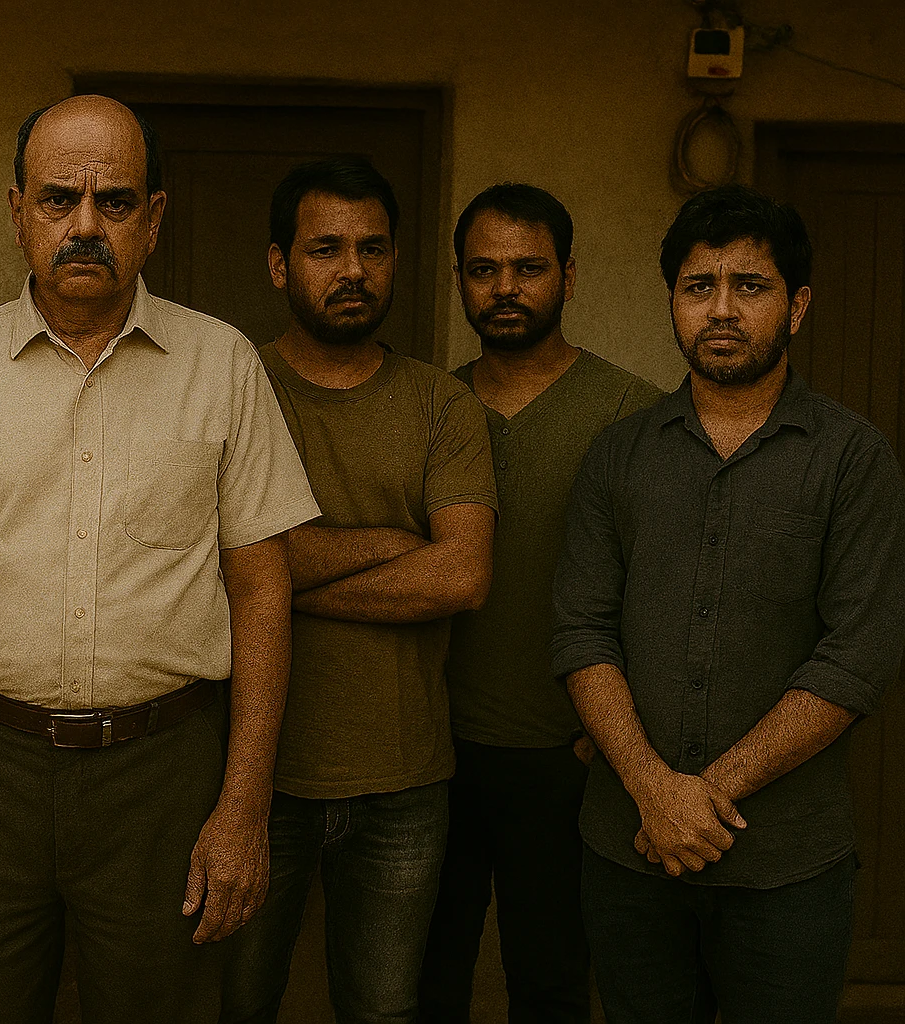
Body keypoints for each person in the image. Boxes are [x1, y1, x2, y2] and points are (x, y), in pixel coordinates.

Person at [0, 95, 320, 1023]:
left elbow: (263, 590)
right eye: (58, 198)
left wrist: (243, 808)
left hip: (163, 777)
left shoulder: (223, 365)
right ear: (17, 209)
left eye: (113, 202)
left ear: (154, 218)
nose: (83, 226)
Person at [552, 183, 905, 1023]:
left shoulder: (853, 460)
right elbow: (580, 630)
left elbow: (856, 656)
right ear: (673, 300)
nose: (721, 309)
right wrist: (651, 790)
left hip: (787, 869)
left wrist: (696, 799)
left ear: (798, 304)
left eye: (750, 286)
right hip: (629, 854)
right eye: (697, 285)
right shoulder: (619, 455)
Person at [222, 157, 496, 1024]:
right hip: (250, 776)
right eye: (326, 249)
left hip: (404, 779)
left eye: (372, 248)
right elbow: (205, 563)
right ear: (279, 264)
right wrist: (385, 542)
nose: (352, 271)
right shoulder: (233, 388)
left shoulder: (443, 404)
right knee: (237, 1005)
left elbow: (461, 573)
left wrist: (275, 580)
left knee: (383, 1012)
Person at [418, 184, 661, 1023]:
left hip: (569, 754)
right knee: (422, 981)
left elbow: (661, 591)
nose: (506, 288)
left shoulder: (632, 413)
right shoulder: (430, 405)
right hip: (432, 748)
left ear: (568, 275)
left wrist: (621, 731)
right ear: (458, 279)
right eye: (484, 270)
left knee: (552, 981)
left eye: (529, 268)